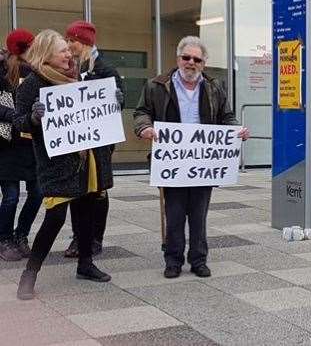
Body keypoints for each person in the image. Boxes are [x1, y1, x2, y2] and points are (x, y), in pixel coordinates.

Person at [133, 36, 249, 279]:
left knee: (199, 214)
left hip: (203, 161)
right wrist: (144, 128)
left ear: (203, 63)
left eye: (197, 59)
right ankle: (173, 260)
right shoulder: (157, 85)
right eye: (186, 58)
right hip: (172, 161)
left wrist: (236, 131)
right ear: (178, 59)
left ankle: (198, 259)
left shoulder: (213, 87)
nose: (191, 63)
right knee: (174, 213)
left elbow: (226, 116)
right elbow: (142, 112)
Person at [15, 30, 112, 300]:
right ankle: (30, 273)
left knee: (85, 213)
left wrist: (112, 103)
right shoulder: (32, 84)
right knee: (55, 218)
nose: (69, 54)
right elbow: (19, 122)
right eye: (62, 51)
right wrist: (34, 118)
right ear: (47, 54)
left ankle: (85, 264)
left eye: (69, 51)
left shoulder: (77, 77)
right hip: (56, 163)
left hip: (85, 158)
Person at [63, 20, 124, 258]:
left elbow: (118, 106)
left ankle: (95, 239)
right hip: (76, 142)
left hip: (99, 144)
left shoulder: (105, 70)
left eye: (73, 41)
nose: (69, 45)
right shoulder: (69, 70)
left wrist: (118, 99)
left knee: (98, 191)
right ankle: (79, 237)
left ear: (85, 43)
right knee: (77, 191)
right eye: (67, 41)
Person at [0, 30, 42, 261]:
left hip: (31, 144)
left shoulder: (38, 73)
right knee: (11, 196)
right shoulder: (2, 73)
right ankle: (3, 238)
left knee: (37, 193)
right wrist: (16, 114)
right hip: (7, 146)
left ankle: (20, 235)